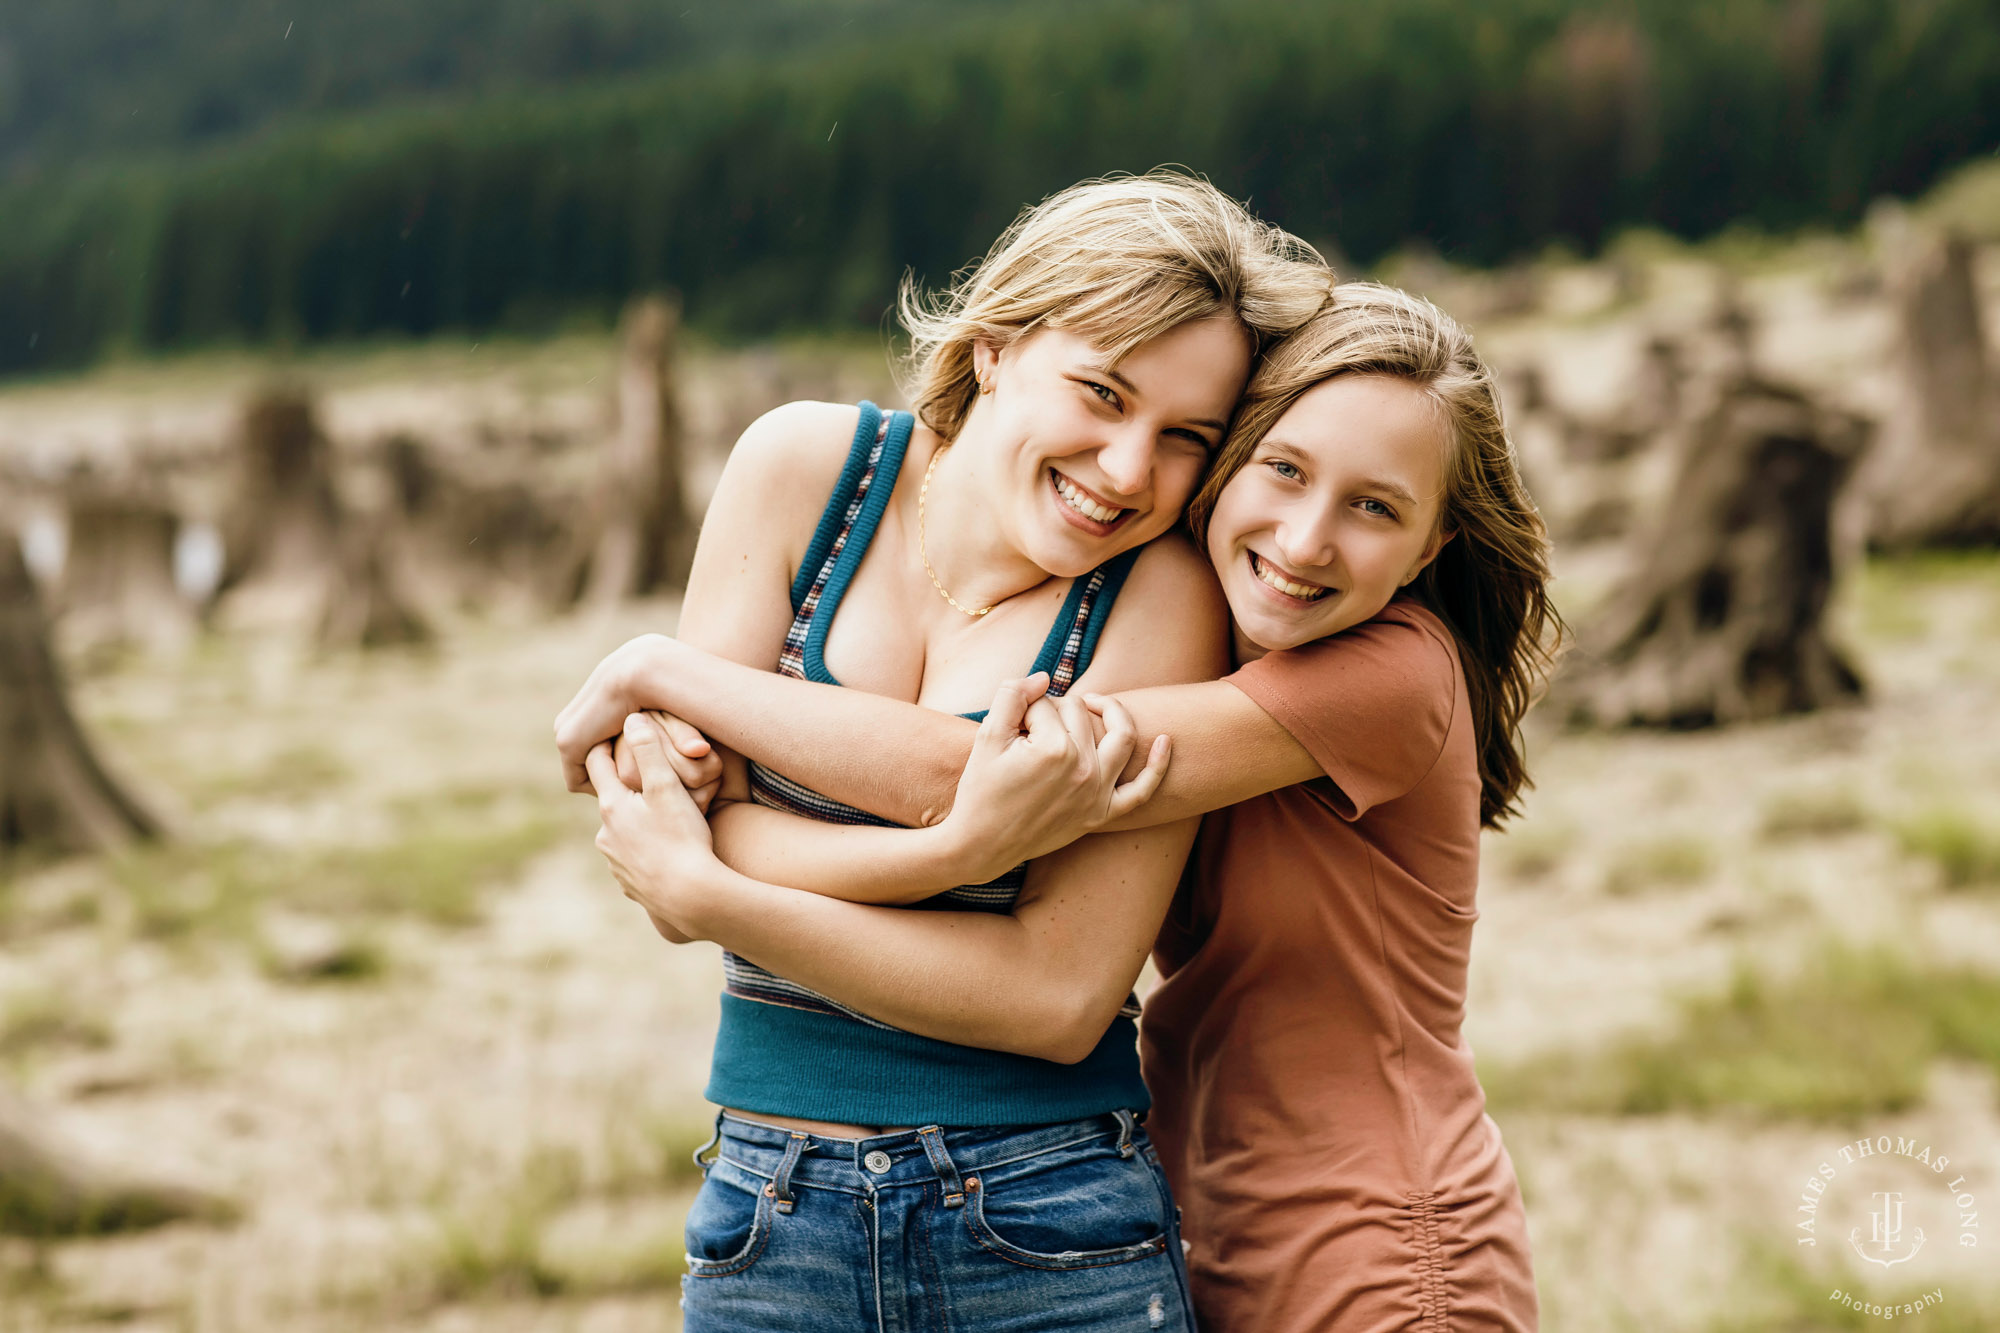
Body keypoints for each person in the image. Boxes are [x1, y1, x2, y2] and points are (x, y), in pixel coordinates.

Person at [563, 283, 1564, 1331]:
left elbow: (999, 773)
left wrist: (666, 675)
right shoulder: (1232, 653)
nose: (1306, 537)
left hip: (1383, 1244)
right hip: (1209, 1218)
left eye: (1373, 506)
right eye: (1281, 469)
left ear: (1431, 546)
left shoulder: (1390, 674)